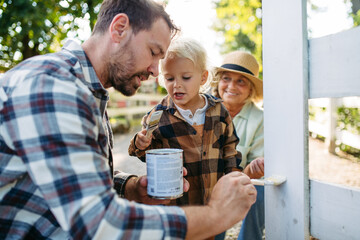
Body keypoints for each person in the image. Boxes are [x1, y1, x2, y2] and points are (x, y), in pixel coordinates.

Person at [0, 0, 257, 239]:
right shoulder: (54, 87)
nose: (155, 71)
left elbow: (74, 177)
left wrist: (130, 187)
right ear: (120, 29)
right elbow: (103, 225)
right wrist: (216, 215)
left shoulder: (83, 89)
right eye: (153, 52)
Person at [128, 37, 242, 240]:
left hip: (213, 198)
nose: (177, 85)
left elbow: (230, 146)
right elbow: (146, 153)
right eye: (170, 78)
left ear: (203, 78)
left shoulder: (218, 110)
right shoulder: (159, 115)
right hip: (177, 205)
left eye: (186, 77)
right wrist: (140, 143)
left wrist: (233, 175)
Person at [211, 51, 264, 240]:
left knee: (262, 188)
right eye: (227, 78)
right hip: (209, 182)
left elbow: (255, 170)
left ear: (250, 90)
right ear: (218, 83)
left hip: (244, 180)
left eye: (241, 81)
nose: (232, 86)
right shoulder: (204, 109)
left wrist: (251, 170)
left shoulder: (260, 118)